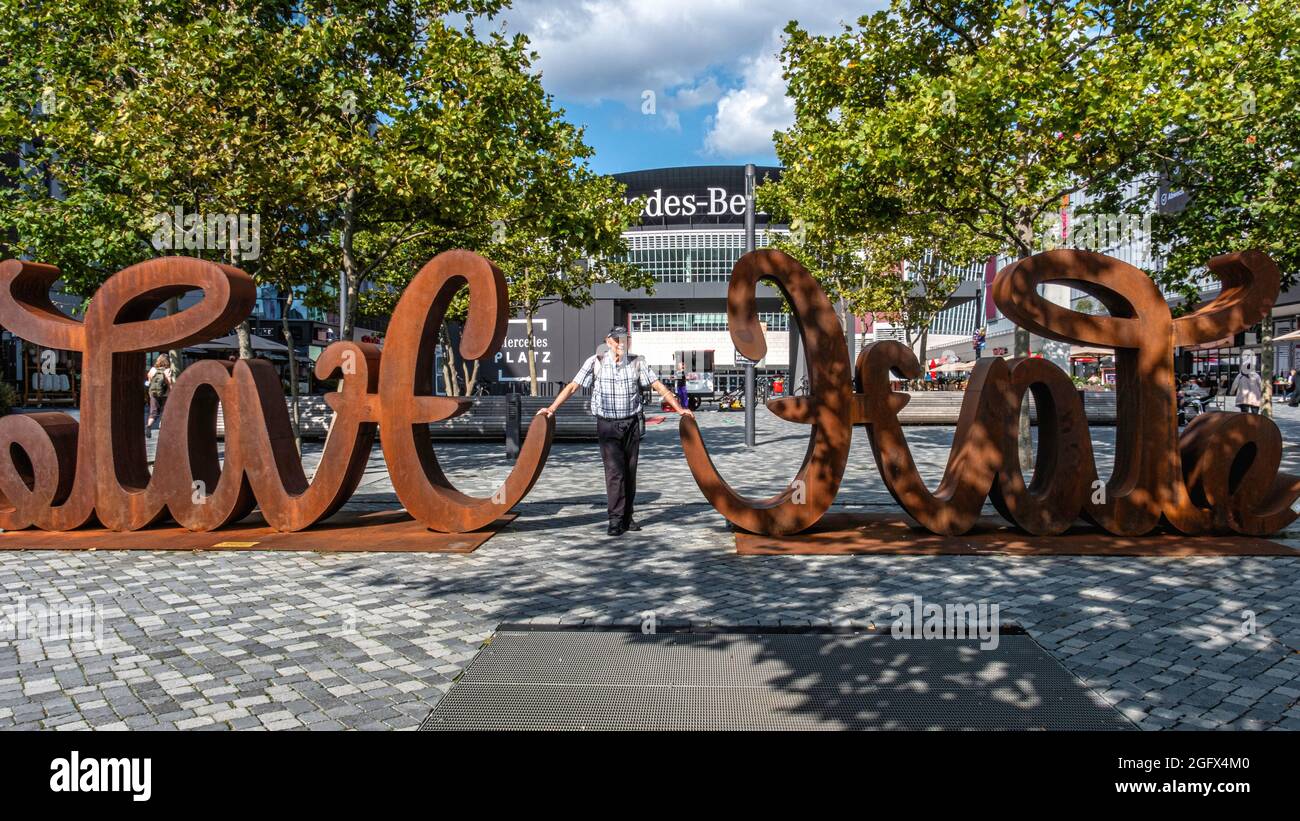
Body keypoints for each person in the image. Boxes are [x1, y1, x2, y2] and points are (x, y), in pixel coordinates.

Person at [538, 326, 694, 536]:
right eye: (617, 340)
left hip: (631, 424)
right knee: (615, 473)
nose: (622, 343)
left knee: (629, 473)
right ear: (608, 341)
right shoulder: (596, 362)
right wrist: (551, 408)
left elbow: (658, 385)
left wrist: (679, 409)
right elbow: (573, 386)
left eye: (625, 339)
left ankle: (627, 517)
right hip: (608, 425)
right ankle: (615, 520)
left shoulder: (638, 362)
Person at [145, 354, 173, 435]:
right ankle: (162, 427)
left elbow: (149, 382)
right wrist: (172, 390)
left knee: (153, 412)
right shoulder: (167, 370)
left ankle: (149, 426)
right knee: (165, 411)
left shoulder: (152, 369)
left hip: (153, 393)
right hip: (165, 394)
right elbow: (169, 382)